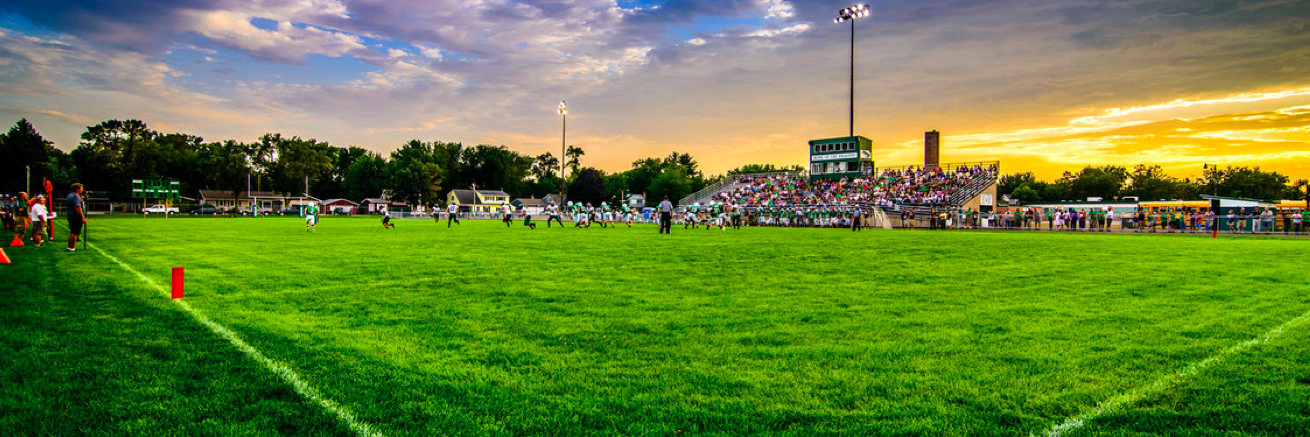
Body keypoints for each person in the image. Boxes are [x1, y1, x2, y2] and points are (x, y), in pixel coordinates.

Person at [66, 184, 86, 251]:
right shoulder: (76, 196)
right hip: (75, 216)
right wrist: (82, 217)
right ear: (77, 189)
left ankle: (69, 246)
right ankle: (72, 247)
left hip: (70, 215)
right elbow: (77, 207)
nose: (82, 189)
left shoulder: (70, 195)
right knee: (75, 232)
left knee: (72, 231)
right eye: (81, 188)